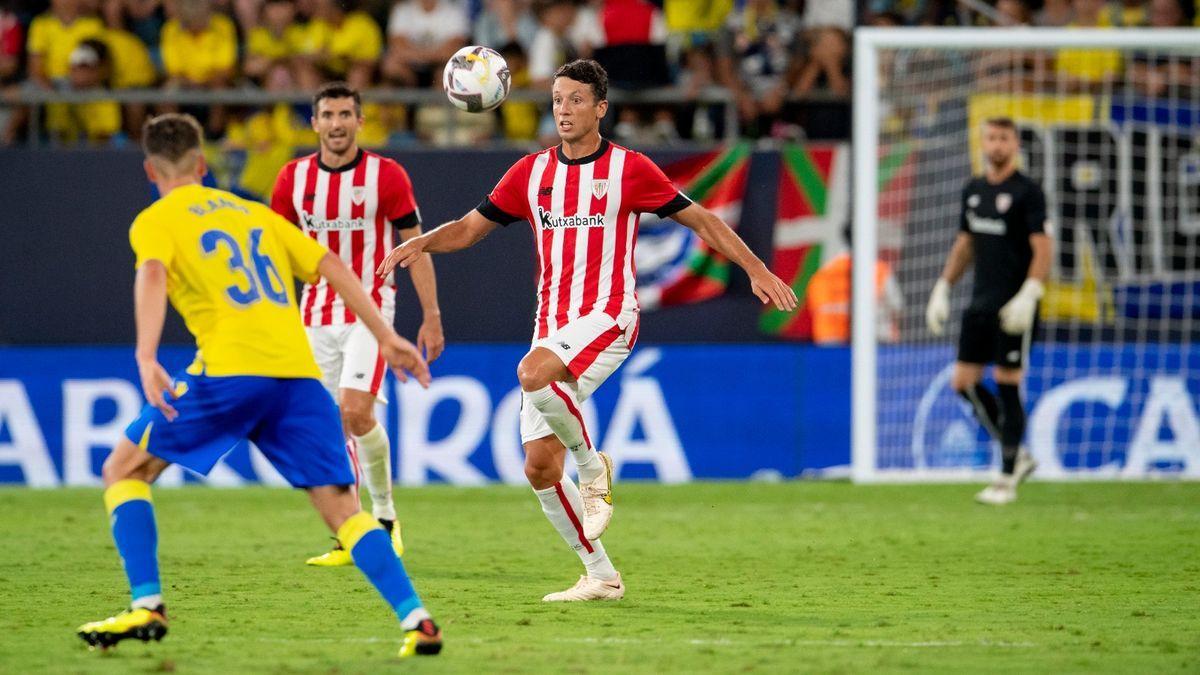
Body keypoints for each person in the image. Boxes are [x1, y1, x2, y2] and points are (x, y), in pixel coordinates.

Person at [377, 59, 797, 601]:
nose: (564, 110)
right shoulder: (530, 173)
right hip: (551, 324)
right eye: (556, 99)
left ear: (600, 108)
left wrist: (755, 268)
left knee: (533, 374)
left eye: (576, 100)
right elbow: (470, 228)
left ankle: (592, 464)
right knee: (537, 467)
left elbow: (702, 219)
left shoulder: (631, 169)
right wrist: (422, 241)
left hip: (610, 314)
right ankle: (600, 574)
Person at [76, 113, 442, 658]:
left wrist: (146, 354)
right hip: (297, 377)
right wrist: (386, 335)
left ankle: (147, 604)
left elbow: (152, 273)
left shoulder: (156, 217)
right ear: (203, 165)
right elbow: (331, 264)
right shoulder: (253, 213)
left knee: (122, 468)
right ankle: (418, 620)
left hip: (229, 371)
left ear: (151, 170)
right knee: (343, 510)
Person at [271, 82, 444, 566]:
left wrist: (431, 315)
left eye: (346, 114)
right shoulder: (292, 179)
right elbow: (274, 255)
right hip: (313, 316)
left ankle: (385, 518)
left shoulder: (386, 177)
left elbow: (416, 248)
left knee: (354, 412)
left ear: (360, 121)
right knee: (329, 426)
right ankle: (353, 531)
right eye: (328, 114)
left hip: (371, 312)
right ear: (315, 123)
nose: (337, 123)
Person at [925, 117, 1052, 506]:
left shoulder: (1027, 192)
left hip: (1014, 304)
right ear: (983, 143)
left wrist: (1030, 293)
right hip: (980, 302)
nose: (997, 145)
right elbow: (966, 243)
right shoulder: (974, 190)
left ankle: (1006, 478)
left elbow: (1042, 248)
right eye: (991, 138)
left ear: (1015, 145)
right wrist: (943, 286)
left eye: (1004, 139)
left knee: (1008, 382)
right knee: (963, 382)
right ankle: (1020, 457)